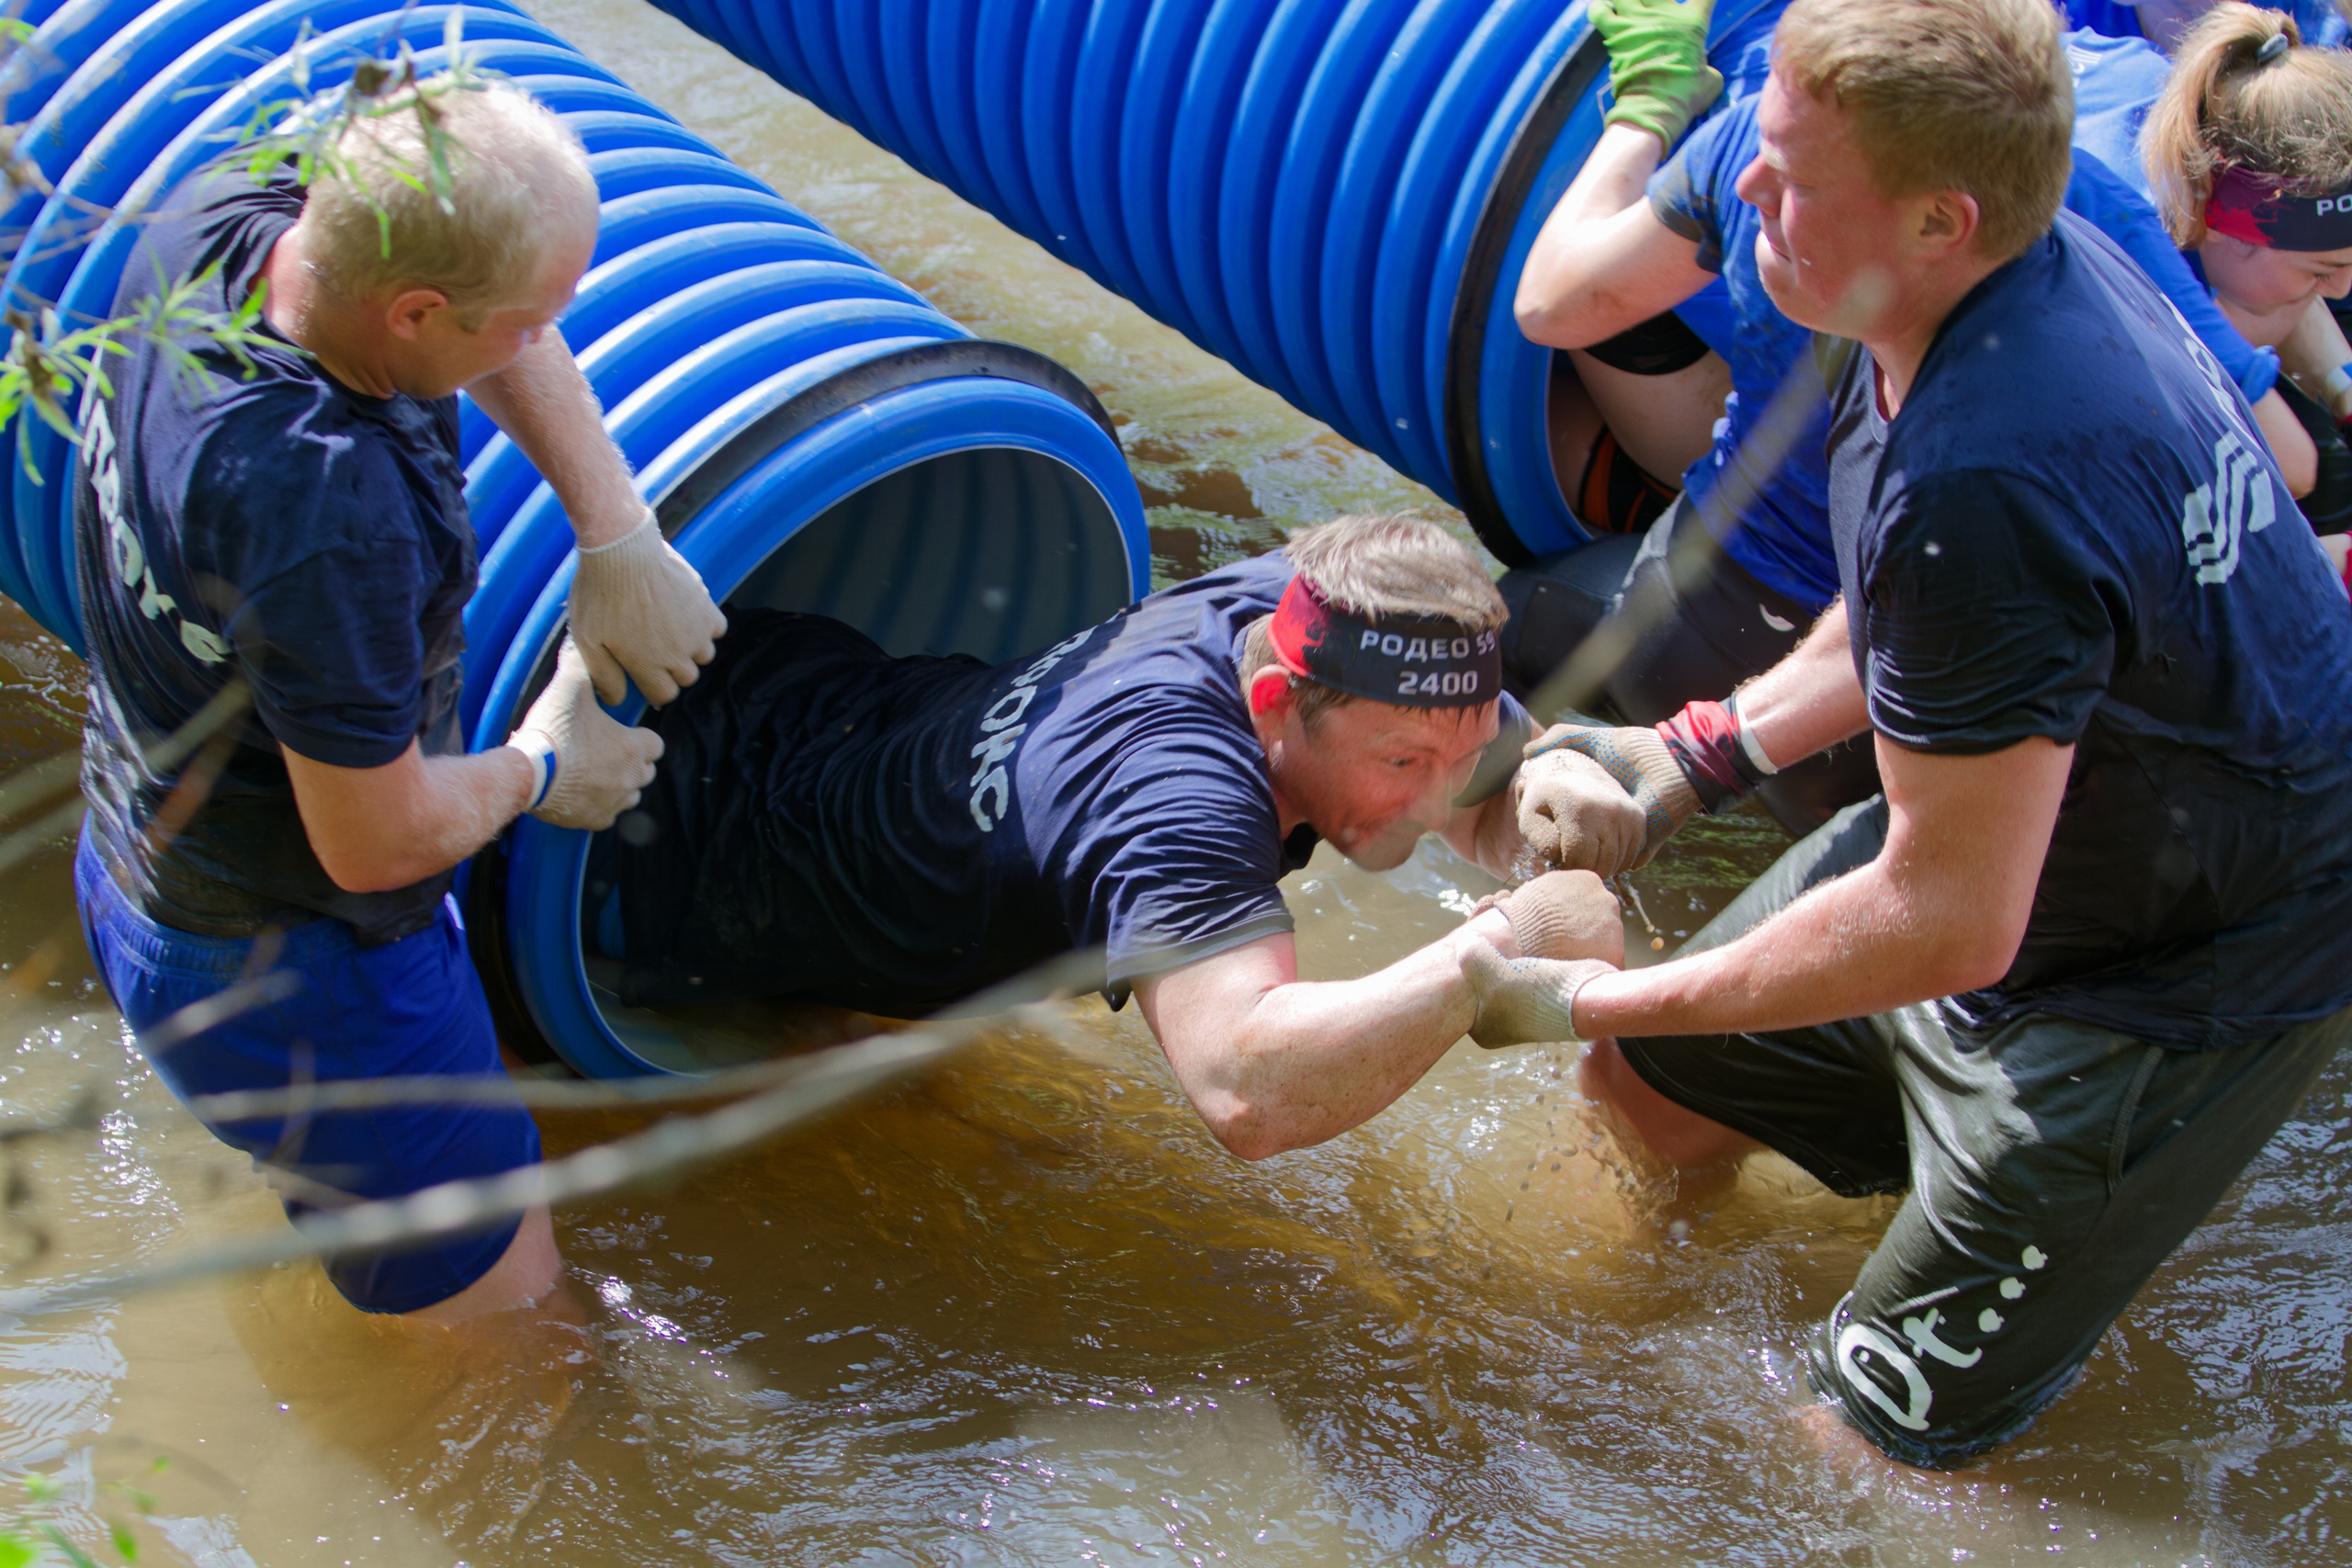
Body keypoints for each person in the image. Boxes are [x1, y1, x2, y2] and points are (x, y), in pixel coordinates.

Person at [1467, 0, 2352, 1466]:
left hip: (2180, 970)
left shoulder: (1993, 468)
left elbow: (1948, 924)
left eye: (1792, 177)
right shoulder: (1970, 286)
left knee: (1853, 1454)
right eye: (1761, 149)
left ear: (1942, 217)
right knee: (1654, 1089)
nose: (1745, 189)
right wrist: (1694, 753)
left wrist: (1591, 994)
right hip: (2038, 829)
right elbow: (1902, 619)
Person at [72, 79, 728, 1323]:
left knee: (407, 1203)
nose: (550, 336)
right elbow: (369, 843)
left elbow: (473, 265)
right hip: (304, 964)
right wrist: (545, 765)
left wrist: (613, 529)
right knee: (509, 1344)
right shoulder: (325, 513)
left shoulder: (231, 213)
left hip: (142, 858)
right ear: (416, 312)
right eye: (533, 320)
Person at [1504, 0, 2343, 833]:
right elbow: (2278, 465)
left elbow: (1549, 304)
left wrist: (1651, 105)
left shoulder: (1751, 139)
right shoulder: (2086, 205)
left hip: (1717, 631)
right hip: (1897, 716)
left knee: (1520, 609)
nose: (1759, 184)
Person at [599, 514, 1630, 1160]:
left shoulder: (1322, 599)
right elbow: (1246, 1090)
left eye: (1463, 749)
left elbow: (1461, 737)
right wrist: (1495, 950)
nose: (1437, 795)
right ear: (1274, 704)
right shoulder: (1171, 799)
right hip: (659, 852)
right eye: (1402, 763)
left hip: (789, 681)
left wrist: (1547, 766)